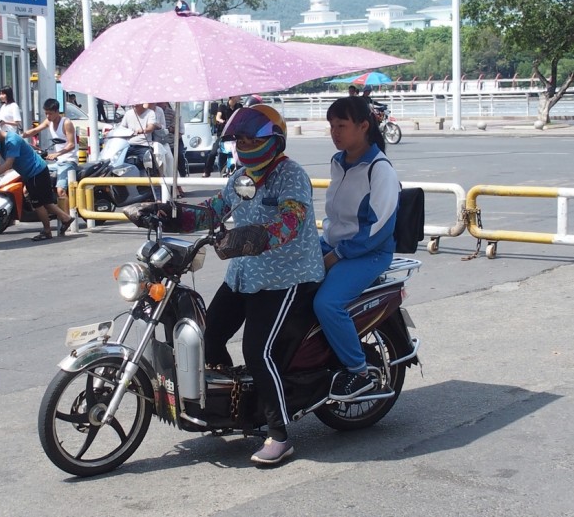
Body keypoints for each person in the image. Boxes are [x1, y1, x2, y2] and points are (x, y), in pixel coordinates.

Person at [125, 105, 325, 465]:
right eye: (240, 139)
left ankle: (279, 434)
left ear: (274, 140)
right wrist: (168, 212)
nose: (244, 144)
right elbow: (213, 211)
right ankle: (233, 406)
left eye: (251, 139)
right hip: (244, 274)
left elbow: (292, 220)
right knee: (209, 336)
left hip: (286, 276)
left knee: (257, 351)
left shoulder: (290, 175)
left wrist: (258, 236)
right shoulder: (240, 177)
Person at [313, 96, 400, 401]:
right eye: (331, 126)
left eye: (342, 125)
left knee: (327, 304)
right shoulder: (339, 162)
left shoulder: (380, 169)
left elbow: (379, 228)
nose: (335, 132)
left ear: (364, 126)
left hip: (367, 253)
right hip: (334, 243)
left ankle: (359, 372)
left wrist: (337, 255)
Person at [0, 127, 75, 241]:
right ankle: (66, 218)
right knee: (46, 202)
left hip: (36, 172)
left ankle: (47, 231)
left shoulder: (12, 140)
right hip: (31, 173)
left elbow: (8, 164)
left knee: (38, 204)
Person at [22, 98, 78, 200]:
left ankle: (67, 210)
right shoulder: (49, 121)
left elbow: (71, 145)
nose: (48, 116)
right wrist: (19, 136)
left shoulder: (66, 123)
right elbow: (35, 130)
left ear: (57, 111)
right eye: (46, 113)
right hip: (58, 162)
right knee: (33, 176)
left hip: (69, 162)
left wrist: (56, 154)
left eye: (50, 113)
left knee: (60, 191)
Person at [203, 96, 242, 177]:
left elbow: (243, 117)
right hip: (223, 135)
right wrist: (223, 122)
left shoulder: (239, 106)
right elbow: (218, 117)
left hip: (235, 135)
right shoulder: (222, 106)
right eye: (238, 95)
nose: (240, 96)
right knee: (213, 153)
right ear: (232, 97)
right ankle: (207, 171)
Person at [158, 102, 187, 198]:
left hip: (172, 141)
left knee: (177, 158)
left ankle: (178, 186)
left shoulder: (172, 113)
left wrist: (168, 130)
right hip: (158, 142)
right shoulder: (153, 112)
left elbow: (178, 129)